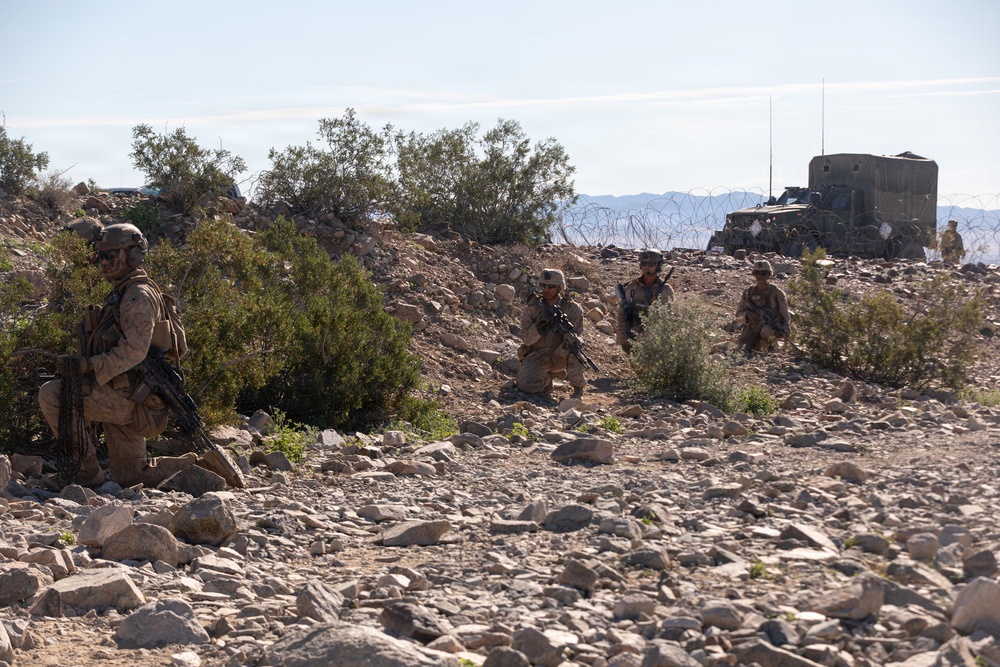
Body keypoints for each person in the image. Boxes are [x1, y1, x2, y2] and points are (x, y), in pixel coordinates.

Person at [38, 223, 204, 487]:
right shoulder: (126, 291)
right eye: (101, 256)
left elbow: (133, 351)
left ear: (132, 256)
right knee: (131, 476)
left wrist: (88, 367)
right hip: (130, 391)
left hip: (128, 397)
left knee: (53, 395)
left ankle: (84, 474)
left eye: (110, 255)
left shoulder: (137, 295)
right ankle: (199, 469)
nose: (103, 262)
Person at [516, 268, 586, 398]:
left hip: (560, 354)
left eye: (550, 286)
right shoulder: (533, 308)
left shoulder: (573, 309)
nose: (545, 290)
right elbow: (526, 340)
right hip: (538, 354)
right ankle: (547, 380)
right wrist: (537, 324)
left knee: (575, 345)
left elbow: (577, 335)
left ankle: (578, 388)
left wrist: (569, 337)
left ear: (559, 288)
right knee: (524, 385)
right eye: (543, 286)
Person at [615, 249, 674, 353]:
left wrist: (641, 333)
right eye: (644, 264)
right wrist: (622, 336)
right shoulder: (632, 287)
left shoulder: (665, 290)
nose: (647, 267)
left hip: (653, 337)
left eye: (651, 264)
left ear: (658, 266)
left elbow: (664, 319)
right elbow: (622, 313)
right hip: (631, 334)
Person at [735, 259, 790, 356]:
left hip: (769, 328)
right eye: (757, 273)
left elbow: (785, 314)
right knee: (740, 344)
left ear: (769, 275)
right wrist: (747, 315)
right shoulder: (748, 292)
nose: (760, 276)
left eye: (764, 273)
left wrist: (784, 329)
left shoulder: (776, 292)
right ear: (754, 274)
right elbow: (738, 315)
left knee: (766, 332)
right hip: (752, 328)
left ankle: (772, 350)